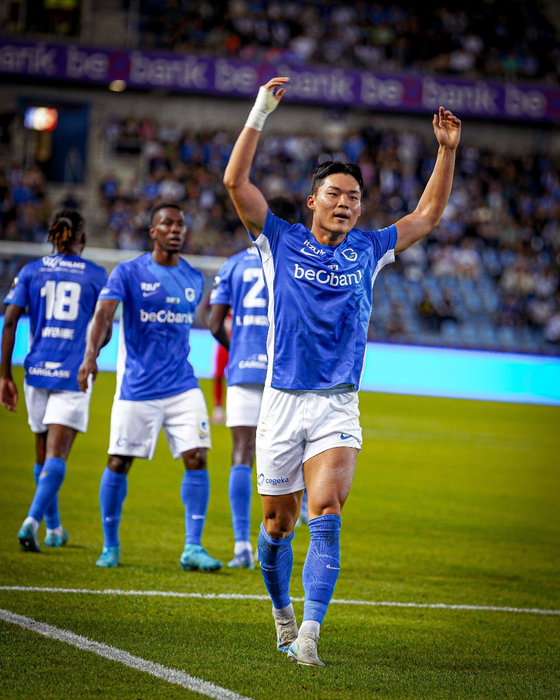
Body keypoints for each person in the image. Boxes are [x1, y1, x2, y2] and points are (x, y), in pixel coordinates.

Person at [223, 76, 461, 666]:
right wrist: (260, 111)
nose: (347, 203)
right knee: (276, 527)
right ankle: (280, 609)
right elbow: (235, 183)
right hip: (280, 402)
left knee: (325, 511)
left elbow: (427, 214)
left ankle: (309, 633)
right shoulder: (277, 241)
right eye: (336, 194)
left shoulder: (369, 248)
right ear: (313, 201)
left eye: (354, 196)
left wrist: (446, 152)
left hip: (336, 403)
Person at [77, 202, 222, 572]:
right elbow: (103, 316)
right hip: (137, 387)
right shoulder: (128, 272)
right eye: (167, 223)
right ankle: (110, 545)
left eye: (180, 223)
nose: (176, 229)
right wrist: (90, 356)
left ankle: (193, 546)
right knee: (118, 462)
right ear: (153, 231)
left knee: (198, 456)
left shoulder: (193, 278)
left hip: (181, 384)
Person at [1, 209, 108, 552]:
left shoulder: (31, 271)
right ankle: (31, 522)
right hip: (73, 373)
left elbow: (9, 322)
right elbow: (102, 327)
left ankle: (55, 528)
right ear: (83, 237)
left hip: (36, 372)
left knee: (42, 454)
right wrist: (92, 354)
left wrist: (4, 375)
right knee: (57, 455)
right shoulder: (95, 275)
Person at [208, 197, 300, 570]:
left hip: (244, 372)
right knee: (293, 457)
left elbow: (214, 324)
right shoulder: (302, 262)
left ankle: (241, 546)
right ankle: (283, 537)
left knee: (242, 455)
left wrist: (243, 347)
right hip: (288, 375)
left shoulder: (233, 264)